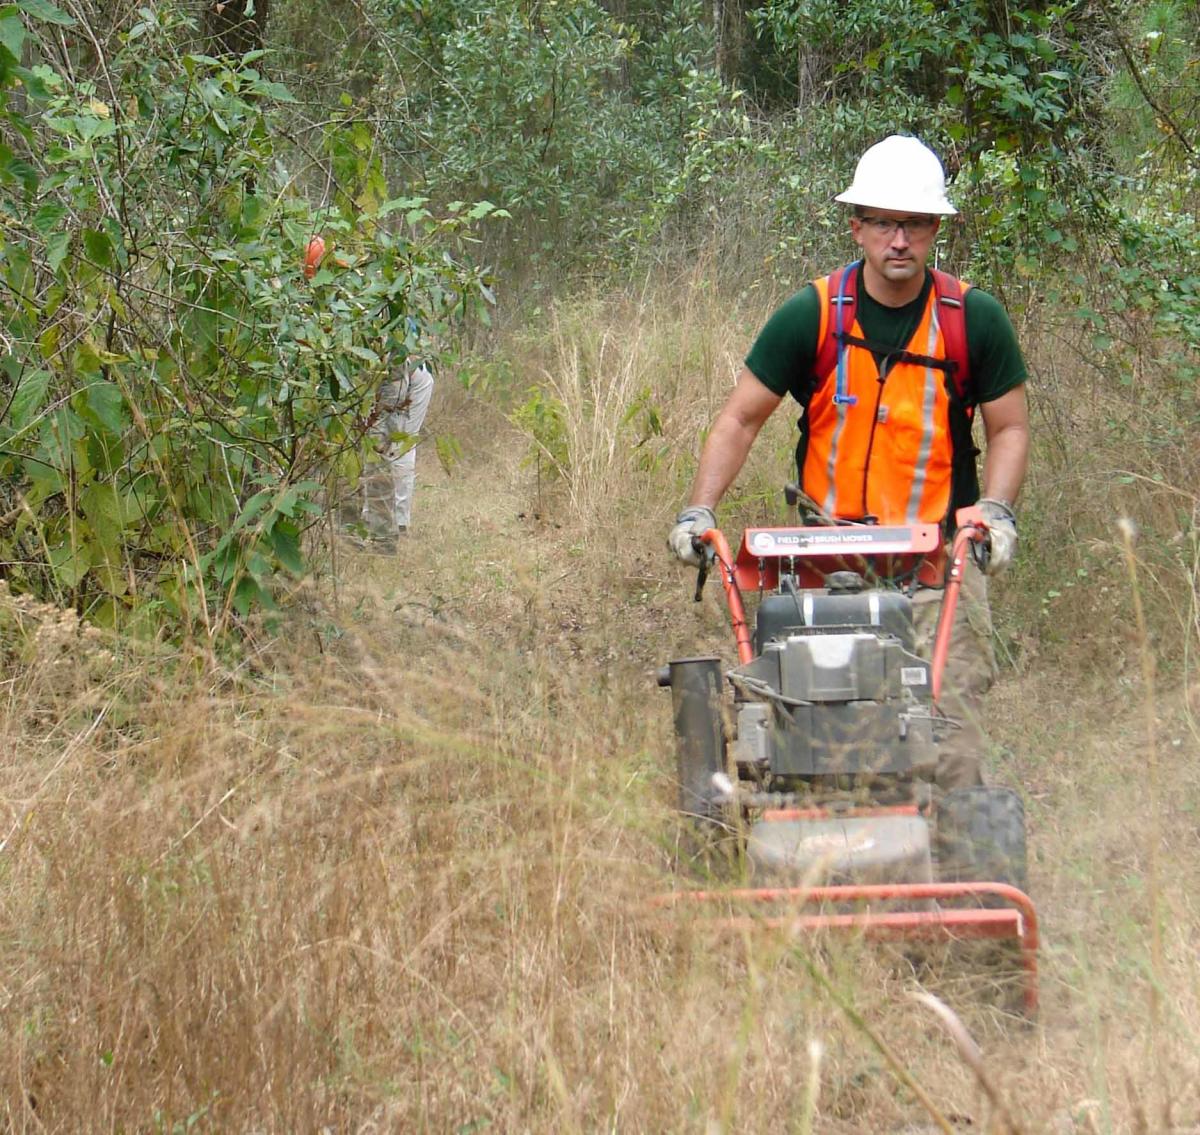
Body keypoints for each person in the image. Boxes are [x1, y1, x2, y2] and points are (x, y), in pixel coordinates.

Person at [667, 134, 1029, 789]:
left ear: (936, 228)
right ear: (857, 226)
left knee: (946, 738)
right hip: (820, 563)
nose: (899, 239)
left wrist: (996, 512)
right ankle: (821, 858)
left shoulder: (971, 319)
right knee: (808, 728)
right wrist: (700, 508)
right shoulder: (813, 313)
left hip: (936, 563)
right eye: (885, 221)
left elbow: (1009, 427)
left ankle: (953, 878)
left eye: (915, 222)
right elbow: (740, 417)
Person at [358, 354, 435, 552]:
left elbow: (393, 402)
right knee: (376, 445)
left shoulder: (388, 351)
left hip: (414, 384)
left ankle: (399, 520)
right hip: (395, 385)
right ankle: (372, 515)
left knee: (399, 445)